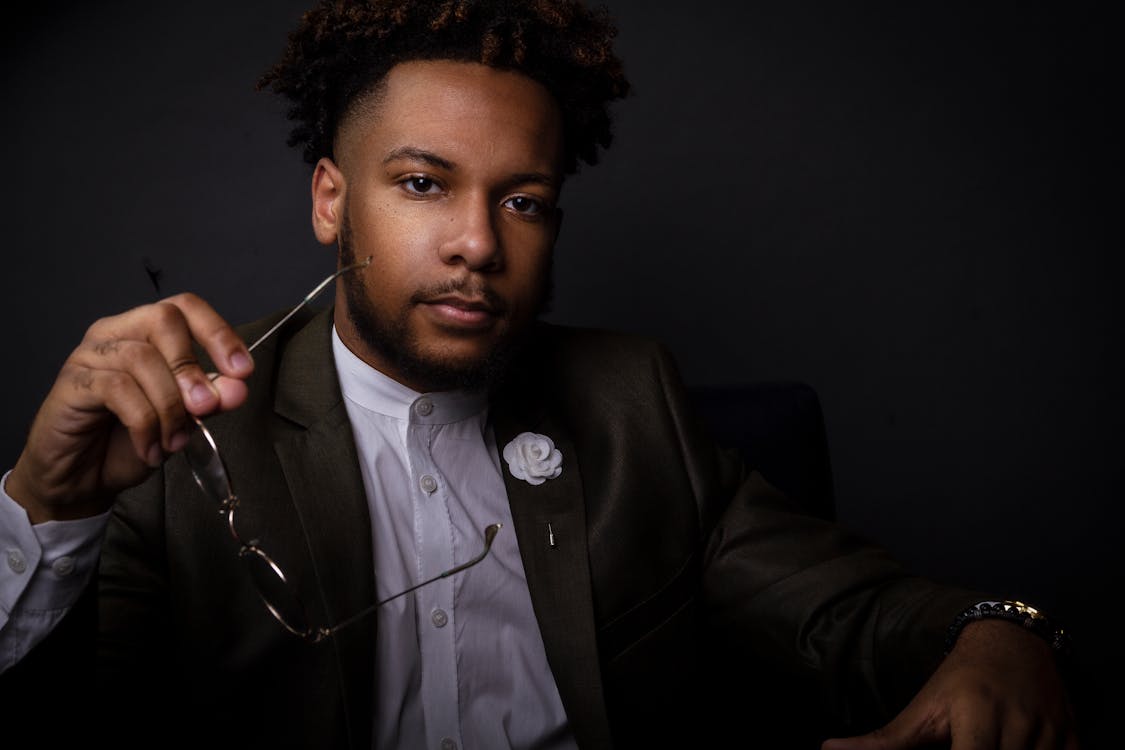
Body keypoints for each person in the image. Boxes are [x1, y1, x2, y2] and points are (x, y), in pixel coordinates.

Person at [0, 1, 1078, 748]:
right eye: (424, 184)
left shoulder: (630, 402)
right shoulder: (183, 426)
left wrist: (1001, 631)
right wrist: (42, 512)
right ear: (332, 199)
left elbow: (849, 615)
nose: (478, 243)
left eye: (523, 201)